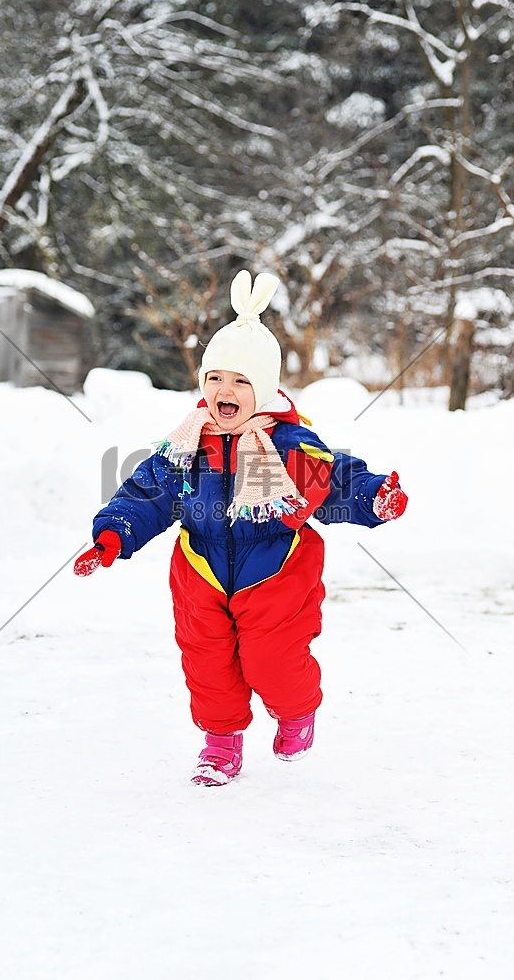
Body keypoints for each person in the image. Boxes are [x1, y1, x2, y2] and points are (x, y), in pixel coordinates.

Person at [74, 270, 408, 786]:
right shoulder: (187, 443)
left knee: (273, 661)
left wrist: (374, 497)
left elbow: (336, 483)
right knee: (207, 665)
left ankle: (296, 711)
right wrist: (112, 535)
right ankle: (220, 744)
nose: (224, 390)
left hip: (275, 570)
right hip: (202, 569)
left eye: (240, 380)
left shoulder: (283, 446)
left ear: (266, 388)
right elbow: (148, 494)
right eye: (215, 378)